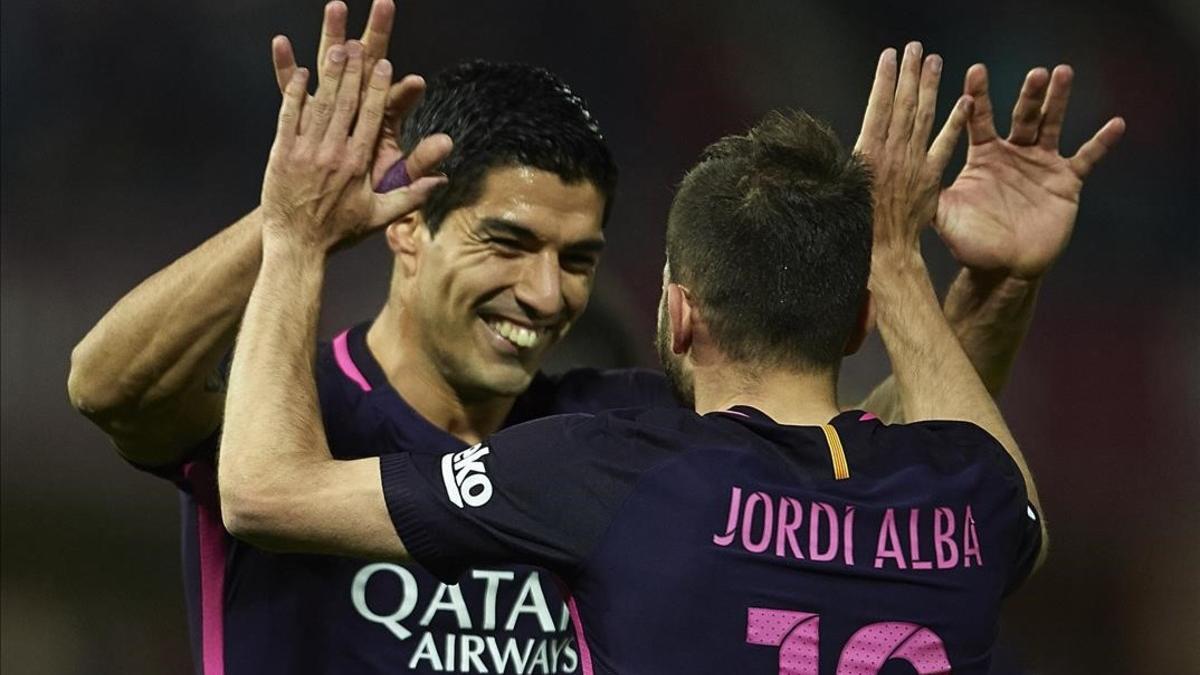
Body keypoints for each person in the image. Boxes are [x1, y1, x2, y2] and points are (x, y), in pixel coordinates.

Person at [66, 0, 1119, 668]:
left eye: (576, 258)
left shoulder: (618, 438)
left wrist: (996, 288)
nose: (544, 292)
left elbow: (905, 456)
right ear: (405, 229)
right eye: (510, 243)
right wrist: (286, 221)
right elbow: (109, 386)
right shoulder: (293, 410)